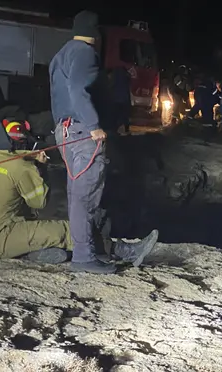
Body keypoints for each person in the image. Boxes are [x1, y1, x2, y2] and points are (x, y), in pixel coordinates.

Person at [50, 10, 158, 274]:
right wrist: (93, 126)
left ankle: (91, 251)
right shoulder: (84, 53)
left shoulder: (61, 53)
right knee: (85, 196)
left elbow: (63, 93)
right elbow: (78, 90)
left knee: (77, 195)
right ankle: (84, 258)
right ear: (96, 33)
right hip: (82, 133)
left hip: (65, 131)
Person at [0, 119, 158, 266]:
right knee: (69, 230)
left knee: (41, 228)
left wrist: (29, 157)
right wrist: (40, 169)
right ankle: (125, 251)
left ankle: (32, 253)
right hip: (1, 238)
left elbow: (9, 165)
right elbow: (39, 202)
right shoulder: (21, 167)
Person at [108, 66, 132, 135]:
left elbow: (111, 85)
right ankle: (125, 129)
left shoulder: (114, 74)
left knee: (117, 114)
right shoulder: (126, 74)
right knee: (125, 114)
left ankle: (116, 129)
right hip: (124, 98)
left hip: (116, 98)